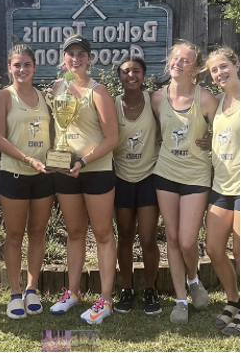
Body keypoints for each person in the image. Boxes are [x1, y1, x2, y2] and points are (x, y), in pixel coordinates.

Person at [49, 35, 119, 325]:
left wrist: (83, 161)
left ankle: (105, 299)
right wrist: (57, 160)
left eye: (80, 54)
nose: (75, 59)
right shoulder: (56, 88)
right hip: (65, 170)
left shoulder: (98, 91)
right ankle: (73, 292)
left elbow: (112, 138)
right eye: (70, 54)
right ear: (63, 58)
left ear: (89, 58)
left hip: (96, 170)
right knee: (74, 233)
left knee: (102, 234)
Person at [151, 40, 218, 324]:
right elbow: (153, 133)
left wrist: (211, 139)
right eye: (175, 58)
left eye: (185, 60)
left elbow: (225, 131)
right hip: (165, 174)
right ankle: (181, 299)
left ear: (196, 69)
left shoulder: (206, 99)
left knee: (189, 240)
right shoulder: (156, 98)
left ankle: (194, 279)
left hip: (196, 177)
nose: (178, 62)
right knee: (173, 238)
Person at [0, 44, 54, 319]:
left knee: (38, 234)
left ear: (34, 67)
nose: (22, 69)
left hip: (43, 177)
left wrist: (55, 158)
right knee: (15, 236)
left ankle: (31, 289)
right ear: (9, 67)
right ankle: (15, 293)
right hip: (14, 175)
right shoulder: (3, 96)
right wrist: (28, 159)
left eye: (27, 64)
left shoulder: (44, 97)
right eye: (17, 64)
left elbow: (54, 133)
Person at [113, 57, 162, 316]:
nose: (130, 75)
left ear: (144, 75)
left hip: (149, 178)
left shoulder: (154, 102)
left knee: (147, 238)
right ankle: (127, 289)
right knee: (125, 236)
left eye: (136, 71)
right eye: (125, 71)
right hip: (121, 178)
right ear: (118, 76)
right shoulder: (112, 106)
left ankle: (151, 289)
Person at [205, 48, 240, 336]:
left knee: (240, 251)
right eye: (214, 70)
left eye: (223, 66)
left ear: (236, 64)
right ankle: (233, 300)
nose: (219, 74)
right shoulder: (218, 102)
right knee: (215, 249)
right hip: (220, 186)